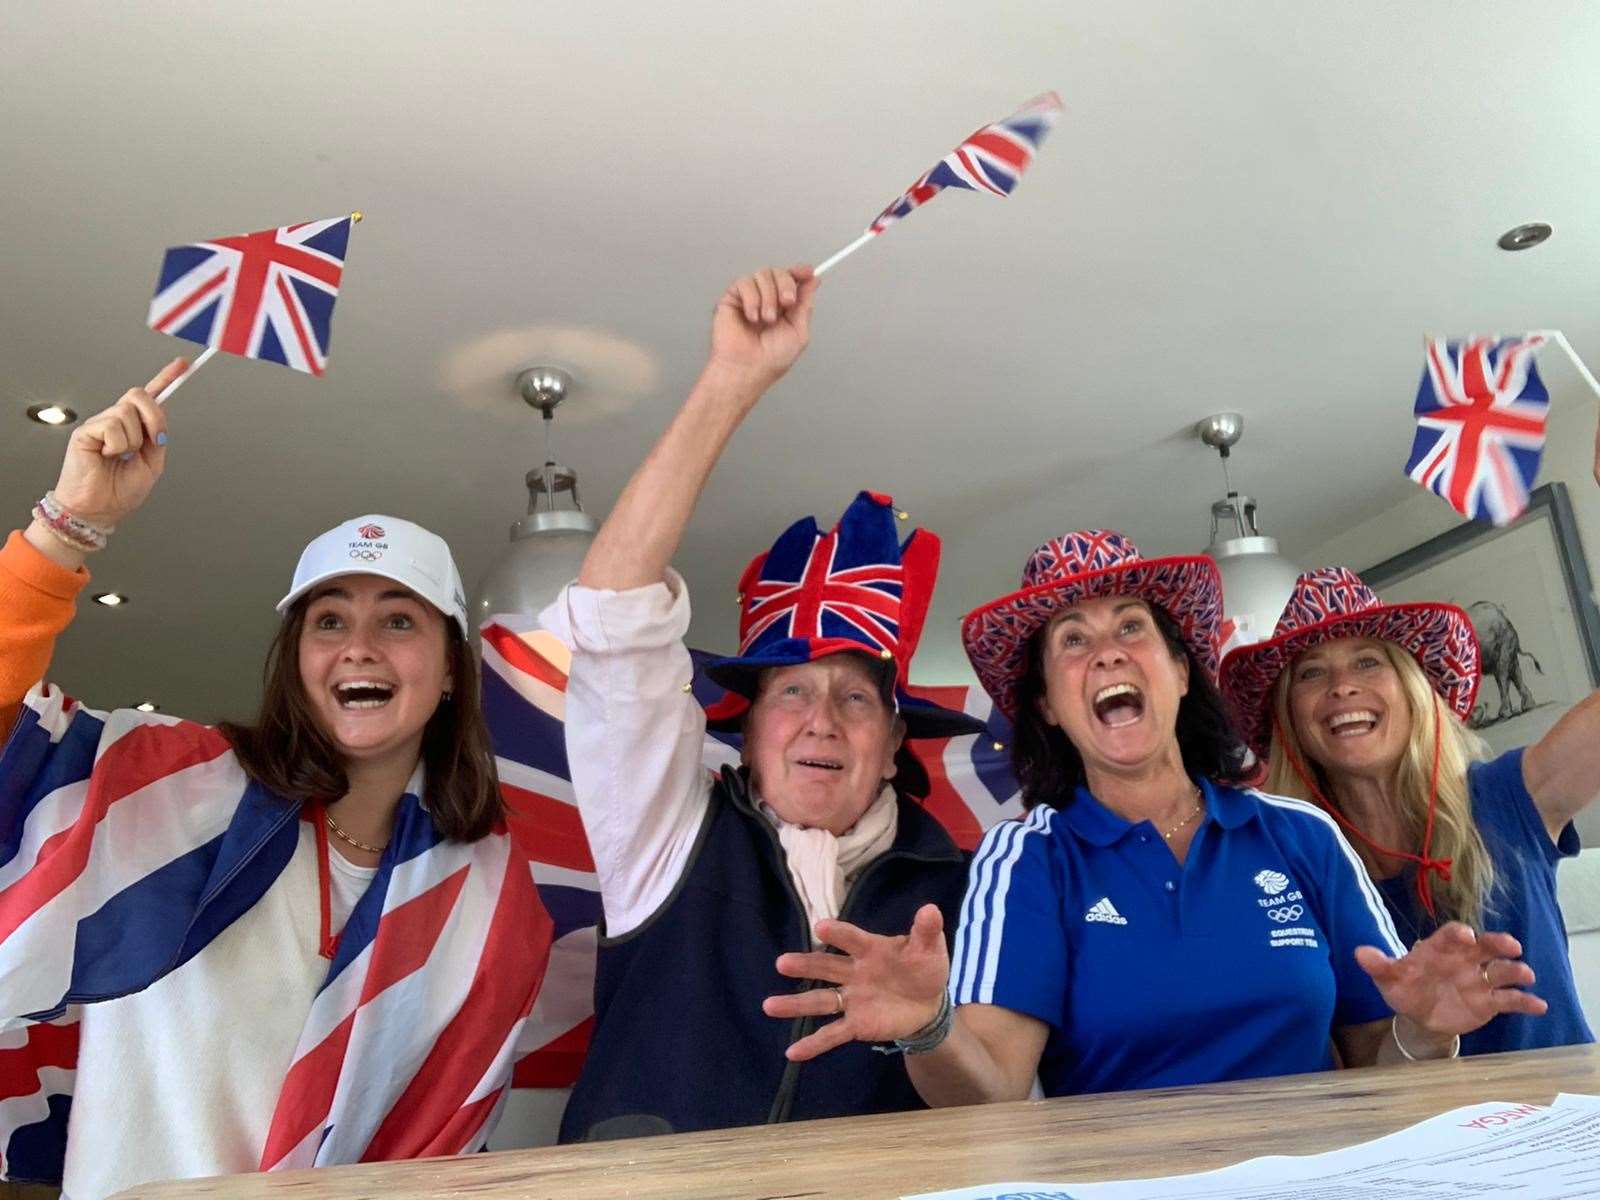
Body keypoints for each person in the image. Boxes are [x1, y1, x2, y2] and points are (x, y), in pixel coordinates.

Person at [0, 359, 553, 1196]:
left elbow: (452, 1153)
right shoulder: (164, 790)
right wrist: (66, 528)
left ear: (448, 671)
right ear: (297, 662)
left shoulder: (489, 887)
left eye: (398, 620)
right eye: (329, 620)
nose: (359, 646)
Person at [763, 530, 1546, 1103]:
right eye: (1072, 640)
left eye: (1130, 627)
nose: (1106, 653)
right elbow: (990, 1094)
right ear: (1047, 705)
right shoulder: (1028, 857)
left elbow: (1387, 1066)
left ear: (1179, 670)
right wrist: (929, 1027)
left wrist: (1425, 1033)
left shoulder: (1302, 834)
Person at [539, 266, 986, 1141]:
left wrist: (934, 1027)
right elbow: (615, 618)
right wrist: (732, 383)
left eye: (855, 696)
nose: (823, 719)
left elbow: (1006, 1111)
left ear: (895, 740)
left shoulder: (967, 893)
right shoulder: (665, 832)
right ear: (744, 726)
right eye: (792, 691)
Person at [1219, 564, 1597, 1054]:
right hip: (1412, 1128)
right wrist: (1421, 1031)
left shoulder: (1506, 795)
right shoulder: (1293, 871)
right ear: (1289, 717)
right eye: (1312, 673)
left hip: (1564, 1121)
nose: (1342, 686)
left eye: (1368, 662)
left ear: (1415, 689)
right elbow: (1349, 1062)